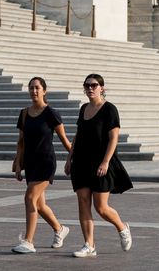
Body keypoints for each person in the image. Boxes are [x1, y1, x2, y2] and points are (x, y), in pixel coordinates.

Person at [65, 73, 133, 258]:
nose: (90, 88)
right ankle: (89, 244)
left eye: (94, 85)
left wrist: (105, 161)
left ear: (102, 88)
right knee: (83, 202)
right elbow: (78, 135)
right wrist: (69, 158)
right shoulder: (84, 108)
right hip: (81, 162)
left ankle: (122, 227)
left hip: (101, 162)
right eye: (87, 85)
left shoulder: (110, 109)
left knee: (101, 207)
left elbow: (114, 138)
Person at [12, 76, 72, 254]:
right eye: (31, 88)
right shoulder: (24, 113)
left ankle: (29, 241)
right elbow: (21, 141)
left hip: (46, 163)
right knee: (39, 205)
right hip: (30, 163)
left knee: (29, 198)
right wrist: (17, 164)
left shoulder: (51, 113)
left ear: (44, 91)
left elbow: (64, 140)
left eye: (37, 88)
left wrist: (73, 157)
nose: (34, 91)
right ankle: (60, 229)